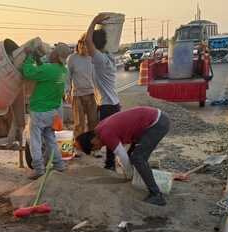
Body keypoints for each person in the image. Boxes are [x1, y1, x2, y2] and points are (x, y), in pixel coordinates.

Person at [75, 106, 171, 206]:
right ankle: (144, 177)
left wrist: (129, 175)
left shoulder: (105, 134)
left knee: (138, 158)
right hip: (151, 122)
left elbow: (122, 156)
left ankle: (156, 194)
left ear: (93, 141)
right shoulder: (99, 129)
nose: (99, 149)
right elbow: (123, 149)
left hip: (156, 123)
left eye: (94, 148)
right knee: (134, 158)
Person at [22, 43, 71, 179]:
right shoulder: (63, 71)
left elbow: (28, 72)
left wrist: (29, 56)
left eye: (53, 51)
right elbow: (43, 72)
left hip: (39, 111)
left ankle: (38, 168)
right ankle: (59, 164)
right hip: (53, 112)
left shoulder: (49, 69)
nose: (51, 52)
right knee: (50, 139)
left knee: (35, 140)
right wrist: (38, 60)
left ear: (55, 54)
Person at [85, 13, 122, 169]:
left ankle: (110, 163)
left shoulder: (100, 60)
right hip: (114, 103)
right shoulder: (109, 56)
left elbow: (87, 41)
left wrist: (94, 21)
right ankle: (111, 162)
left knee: (106, 135)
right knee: (111, 134)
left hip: (107, 105)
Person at [67, 35, 98, 157]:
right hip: (77, 95)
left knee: (93, 122)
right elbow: (67, 77)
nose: (84, 48)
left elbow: (96, 77)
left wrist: (99, 94)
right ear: (78, 45)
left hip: (91, 94)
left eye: (87, 45)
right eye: (82, 45)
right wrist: (67, 91)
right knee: (79, 123)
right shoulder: (72, 59)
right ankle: (78, 148)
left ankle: (93, 147)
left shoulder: (92, 58)